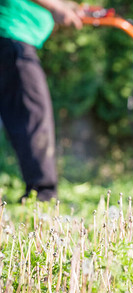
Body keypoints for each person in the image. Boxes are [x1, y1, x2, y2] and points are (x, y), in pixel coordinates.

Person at [0, 0, 83, 201]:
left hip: (11, 35)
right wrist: (56, 7)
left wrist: (64, 5)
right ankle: (42, 197)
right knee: (34, 116)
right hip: (12, 33)